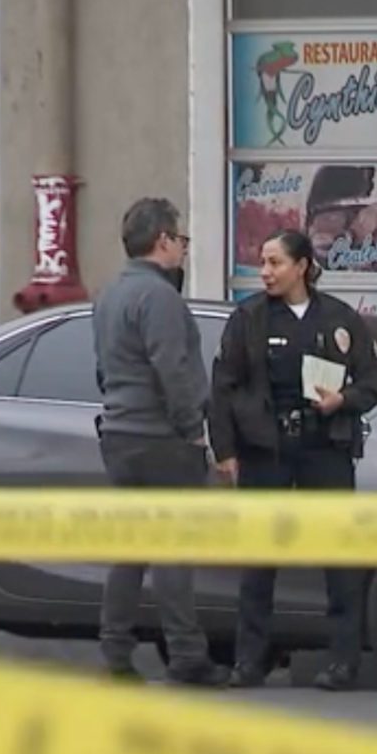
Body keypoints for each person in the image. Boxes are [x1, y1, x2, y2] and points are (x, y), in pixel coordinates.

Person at [210, 229, 377, 691]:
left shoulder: (339, 319)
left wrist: (343, 400)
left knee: (337, 555)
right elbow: (223, 387)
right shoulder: (248, 318)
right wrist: (225, 450)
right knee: (259, 558)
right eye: (262, 263)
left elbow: (374, 379)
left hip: (323, 447)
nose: (265, 272)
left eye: (274, 262)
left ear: (302, 266)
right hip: (266, 449)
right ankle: (251, 661)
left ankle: (343, 662)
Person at [90, 197, 231, 688]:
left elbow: (104, 369)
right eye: (182, 240)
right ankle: (187, 656)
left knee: (129, 550)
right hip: (161, 439)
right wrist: (193, 428)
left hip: (121, 435)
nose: (184, 251)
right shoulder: (160, 299)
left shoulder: (109, 295)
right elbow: (174, 368)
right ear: (163, 241)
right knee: (173, 550)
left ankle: (115, 652)